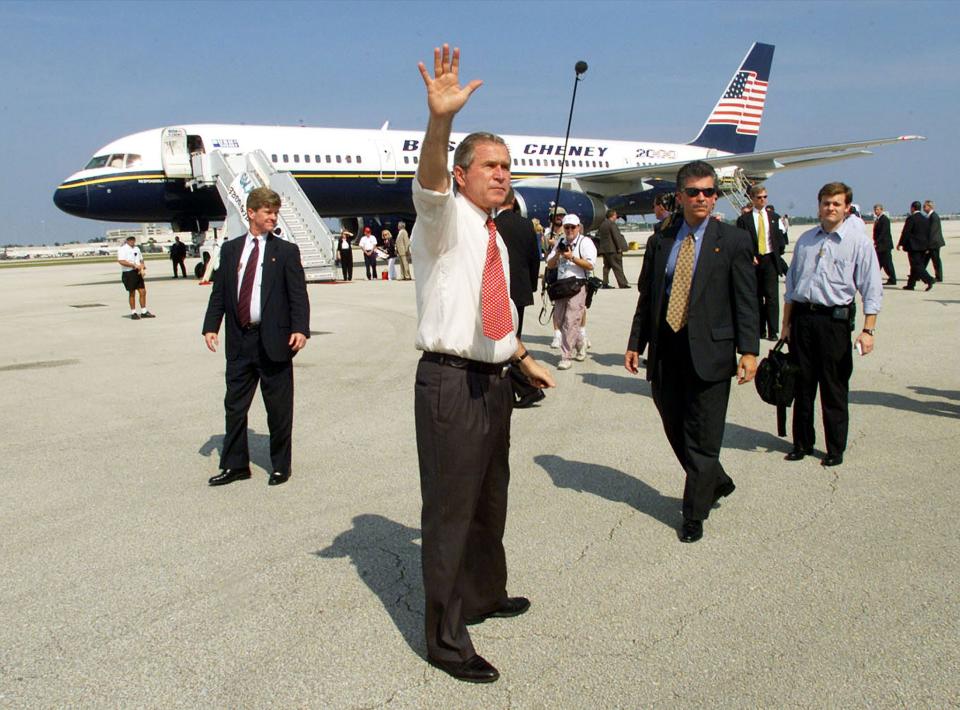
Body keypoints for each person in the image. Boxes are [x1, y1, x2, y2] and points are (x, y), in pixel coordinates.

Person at [411, 44, 555, 684]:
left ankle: (485, 594)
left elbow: (492, 308)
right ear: (463, 174)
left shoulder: (498, 231)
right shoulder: (443, 220)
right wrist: (440, 121)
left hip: (494, 382)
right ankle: (445, 639)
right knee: (449, 512)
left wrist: (521, 356)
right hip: (449, 384)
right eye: (490, 166)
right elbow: (430, 179)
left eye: (507, 166)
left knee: (489, 502)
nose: (501, 174)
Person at [625, 160, 758, 544]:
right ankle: (715, 480)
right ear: (680, 196)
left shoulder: (732, 240)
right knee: (674, 424)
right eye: (695, 192)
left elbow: (746, 301)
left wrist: (749, 351)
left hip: (711, 352)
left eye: (710, 192)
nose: (703, 198)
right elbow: (649, 297)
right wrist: (636, 343)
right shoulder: (661, 240)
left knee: (703, 434)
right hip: (667, 350)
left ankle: (693, 512)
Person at [202, 187, 310, 487]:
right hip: (240, 341)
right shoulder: (231, 249)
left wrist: (300, 328)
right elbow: (220, 293)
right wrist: (211, 325)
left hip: (274, 341)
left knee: (278, 410)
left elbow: (298, 295)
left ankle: (280, 466)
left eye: (276, 212)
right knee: (234, 407)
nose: (273, 217)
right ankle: (236, 465)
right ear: (251, 213)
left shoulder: (286, 251)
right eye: (268, 212)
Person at [782, 182, 881, 468]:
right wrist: (786, 325)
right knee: (802, 386)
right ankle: (801, 443)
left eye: (837, 204)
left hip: (833, 323)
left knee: (833, 387)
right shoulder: (806, 240)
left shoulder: (858, 242)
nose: (830, 208)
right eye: (826, 202)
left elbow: (871, 288)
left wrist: (868, 329)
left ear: (847, 207)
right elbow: (791, 287)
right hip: (803, 319)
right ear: (819, 205)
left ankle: (835, 448)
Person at [496, 187, 545, 407]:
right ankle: (520, 387)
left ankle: (527, 389)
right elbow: (535, 258)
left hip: (500, 291)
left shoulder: (492, 227)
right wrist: (531, 284)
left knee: (505, 342)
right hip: (521, 290)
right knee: (514, 338)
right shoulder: (527, 225)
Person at [736, 185, 787, 341]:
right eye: (759, 197)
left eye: (765, 197)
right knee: (756, 297)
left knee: (772, 297)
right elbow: (741, 242)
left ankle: (773, 330)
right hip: (754, 261)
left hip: (770, 259)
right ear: (752, 199)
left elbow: (780, 239)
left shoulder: (774, 217)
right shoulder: (744, 220)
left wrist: (778, 255)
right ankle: (760, 329)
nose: (762, 200)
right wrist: (750, 255)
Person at [546, 213, 596, 370]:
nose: (569, 230)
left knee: (571, 320)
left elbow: (590, 265)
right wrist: (559, 255)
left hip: (577, 285)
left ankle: (565, 356)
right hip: (561, 285)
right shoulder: (560, 241)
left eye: (572, 227)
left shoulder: (585, 242)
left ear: (578, 227)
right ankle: (580, 343)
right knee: (559, 319)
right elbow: (550, 264)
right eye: (566, 227)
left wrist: (572, 257)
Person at [897, 201, 933, 291]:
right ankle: (911, 285)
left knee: (916, 265)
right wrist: (928, 246)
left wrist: (900, 243)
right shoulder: (925, 219)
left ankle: (929, 279)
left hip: (913, 247)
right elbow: (928, 233)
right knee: (915, 265)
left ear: (913, 208)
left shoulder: (911, 218)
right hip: (923, 246)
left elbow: (906, 232)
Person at [117, 235, 155, 320]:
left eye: (133, 240)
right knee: (132, 293)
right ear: (127, 241)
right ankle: (133, 312)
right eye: (130, 240)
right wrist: (133, 265)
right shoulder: (122, 249)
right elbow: (121, 261)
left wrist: (142, 265)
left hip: (137, 272)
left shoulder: (137, 249)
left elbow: (141, 259)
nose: (132, 242)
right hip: (129, 273)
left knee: (143, 291)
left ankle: (144, 311)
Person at [594, 208, 630, 288]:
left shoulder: (602, 224)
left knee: (606, 267)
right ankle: (622, 284)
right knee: (617, 266)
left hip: (605, 249)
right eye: (615, 215)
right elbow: (616, 237)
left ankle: (605, 283)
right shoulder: (612, 224)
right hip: (613, 249)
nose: (616, 217)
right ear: (612, 216)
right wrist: (619, 248)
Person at [872, 204, 897, 285]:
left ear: (881, 210)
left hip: (885, 245)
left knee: (887, 263)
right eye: (875, 210)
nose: (876, 211)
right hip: (880, 245)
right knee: (879, 262)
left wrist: (876, 242)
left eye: (877, 210)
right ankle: (874, 277)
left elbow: (883, 233)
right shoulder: (878, 219)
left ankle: (892, 279)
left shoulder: (884, 219)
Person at [923, 200, 944, 282]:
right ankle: (918, 274)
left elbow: (933, 232)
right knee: (924, 260)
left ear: (930, 207)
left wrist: (928, 245)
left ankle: (939, 277)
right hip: (931, 242)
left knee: (936, 260)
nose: (923, 208)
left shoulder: (934, 216)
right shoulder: (929, 216)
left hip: (934, 243)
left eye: (925, 206)